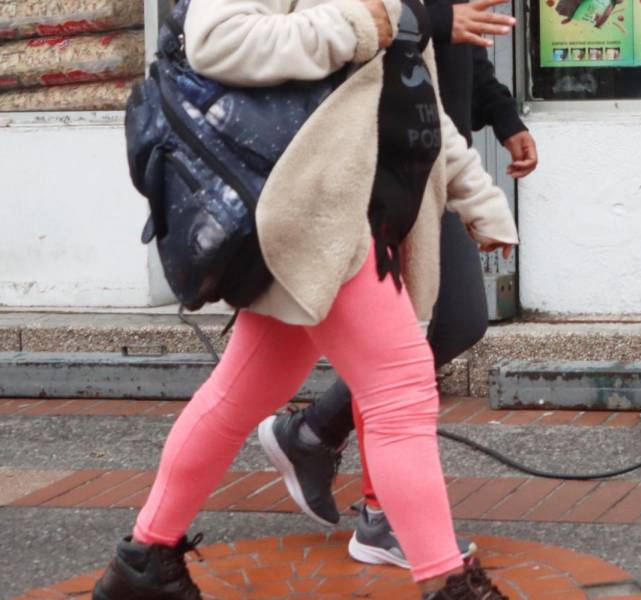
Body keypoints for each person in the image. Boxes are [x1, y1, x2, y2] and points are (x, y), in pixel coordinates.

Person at [91, 0, 515, 597]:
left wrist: (477, 196)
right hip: (315, 215)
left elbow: (412, 98)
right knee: (401, 389)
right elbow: (216, 39)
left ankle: (145, 559)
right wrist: (357, 26)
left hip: (345, 214)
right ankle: (449, 583)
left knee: (246, 389)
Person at [254, 0, 538, 570]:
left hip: (429, 159)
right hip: (370, 171)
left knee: (453, 324)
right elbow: (371, 28)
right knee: (404, 351)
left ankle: (311, 435)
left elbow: (460, 54)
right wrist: (434, 20)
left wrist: (505, 119)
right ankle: (379, 512)